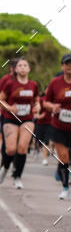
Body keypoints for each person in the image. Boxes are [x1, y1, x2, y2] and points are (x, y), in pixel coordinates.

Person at [0, 58, 40, 188]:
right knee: (10, 149)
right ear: (16, 69)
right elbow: (1, 100)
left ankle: (17, 177)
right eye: (20, 65)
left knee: (22, 148)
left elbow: (36, 100)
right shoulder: (10, 84)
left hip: (27, 119)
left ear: (29, 69)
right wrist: (10, 108)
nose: (23, 67)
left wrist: (38, 106)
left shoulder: (33, 84)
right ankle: (5, 168)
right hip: (10, 119)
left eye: (25, 65)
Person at [44, 54, 71, 200]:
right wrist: (52, 106)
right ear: (62, 65)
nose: (70, 66)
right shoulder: (55, 82)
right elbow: (46, 102)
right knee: (63, 157)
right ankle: (65, 188)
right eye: (67, 63)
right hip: (59, 126)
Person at [0, 59, 18, 178]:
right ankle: (4, 164)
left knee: (20, 145)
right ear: (12, 68)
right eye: (16, 67)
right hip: (6, 115)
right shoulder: (5, 80)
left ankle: (16, 168)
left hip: (23, 118)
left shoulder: (28, 82)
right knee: (7, 142)